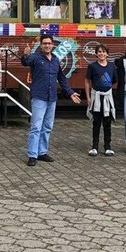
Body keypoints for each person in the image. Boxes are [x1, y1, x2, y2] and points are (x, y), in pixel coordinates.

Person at [21, 34, 81, 167]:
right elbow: (26, 62)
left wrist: (70, 93)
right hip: (39, 97)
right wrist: (25, 55)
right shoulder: (35, 57)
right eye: (44, 43)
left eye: (49, 43)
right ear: (41, 45)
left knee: (47, 126)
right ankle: (32, 155)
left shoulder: (55, 60)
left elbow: (61, 78)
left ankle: (42, 152)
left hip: (52, 97)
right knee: (36, 127)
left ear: (53, 45)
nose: (47, 45)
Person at [84, 43, 117, 156]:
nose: (101, 54)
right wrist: (88, 97)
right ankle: (94, 147)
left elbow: (114, 80)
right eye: (99, 52)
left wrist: (107, 90)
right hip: (96, 97)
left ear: (107, 53)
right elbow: (88, 81)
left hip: (107, 97)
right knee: (96, 122)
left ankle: (107, 147)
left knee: (107, 122)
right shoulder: (92, 66)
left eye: (103, 51)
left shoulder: (112, 66)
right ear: (96, 54)